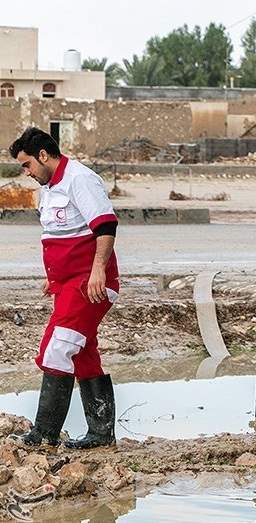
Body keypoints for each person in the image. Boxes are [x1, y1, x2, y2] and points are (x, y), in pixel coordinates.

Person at [8, 127, 120, 449]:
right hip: (68, 284)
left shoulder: (79, 179)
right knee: (83, 353)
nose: (26, 172)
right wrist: (54, 276)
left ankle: (44, 435)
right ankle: (101, 435)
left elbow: (105, 225)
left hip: (90, 284)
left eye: (27, 164)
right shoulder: (49, 187)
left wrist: (98, 269)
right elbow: (63, 234)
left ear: (43, 156)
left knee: (58, 347)